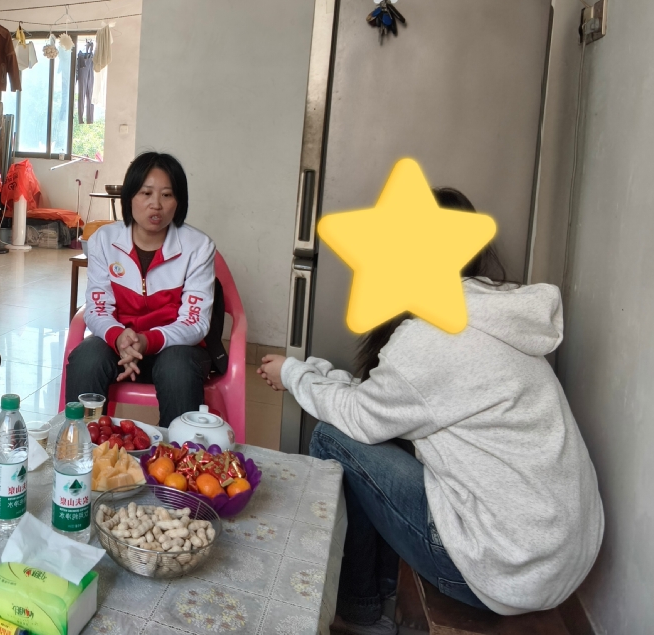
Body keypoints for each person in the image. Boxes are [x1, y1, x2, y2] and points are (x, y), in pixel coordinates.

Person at [258, 188, 604, 635]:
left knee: (334, 437)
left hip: (505, 572)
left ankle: (361, 610)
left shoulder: (431, 339)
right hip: (558, 557)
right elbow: (396, 402)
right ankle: (378, 597)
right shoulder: (489, 312)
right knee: (374, 436)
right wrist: (312, 372)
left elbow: (361, 418)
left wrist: (293, 374)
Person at [64, 152, 225, 427]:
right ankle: (80, 443)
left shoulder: (198, 247)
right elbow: (97, 308)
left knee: (177, 369)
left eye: (167, 195)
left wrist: (146, 340)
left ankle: (175, 451)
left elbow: (195, 322)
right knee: (87, 358)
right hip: (119, 343)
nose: (156, 205)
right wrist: (118, 337)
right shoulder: (104, 240)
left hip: (176, 348)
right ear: (129, 197)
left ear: (179, 201)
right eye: (146, 193)